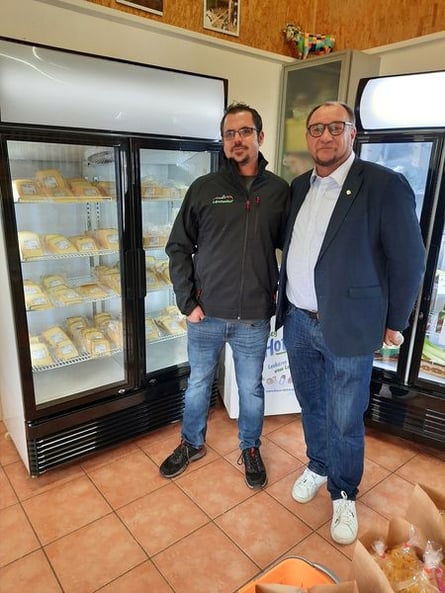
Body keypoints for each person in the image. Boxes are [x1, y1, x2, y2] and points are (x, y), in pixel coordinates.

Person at [276, 101, 425, 544]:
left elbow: (409, 260)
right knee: (311, 404)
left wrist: (395, 320)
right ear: (308, 136)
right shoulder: (299, 186)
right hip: (298, 320)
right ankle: (318, 464)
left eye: (335, 127)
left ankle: (343, 491)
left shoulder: (383, 185)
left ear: (352, 133)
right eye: (316, 128)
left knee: (345, 417)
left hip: (351, 325)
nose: (325, 136)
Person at [160, 101, 290, 489]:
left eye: (245, 131)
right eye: (230, 133)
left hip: (253, 317)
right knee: (199, 384)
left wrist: (282, 300)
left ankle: (250, 448)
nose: (237, 139)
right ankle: (191, 443)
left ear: (260, 136)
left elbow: (294, 249)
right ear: (223, 140)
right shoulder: (205, 188)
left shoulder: (279, 191)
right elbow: (178, 247)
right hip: (207, 315)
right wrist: (188, 303)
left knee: (251, 388)